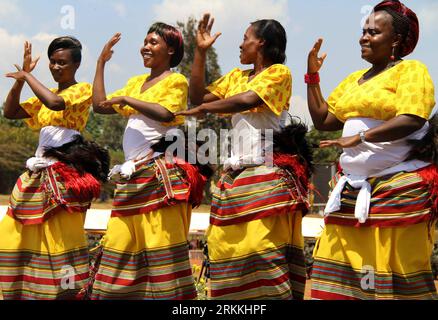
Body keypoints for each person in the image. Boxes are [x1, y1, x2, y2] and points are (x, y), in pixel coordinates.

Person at [307, 0, 437, 300]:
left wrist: (362, 137)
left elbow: (413, 117)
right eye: (363, 31)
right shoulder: (354, 80)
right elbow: (324, 120)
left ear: (396, 41)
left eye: (374, 32)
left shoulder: (412, 71)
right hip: (353, 190)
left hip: (397, 187)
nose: (363, 37)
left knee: (392, 276)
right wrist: (312, 77)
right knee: (339, 274)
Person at [179, 14, 312, 300]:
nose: (240, 45)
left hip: (267, 173)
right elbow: (197, 95)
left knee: (262, 248)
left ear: (261, 43)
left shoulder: (278, 73)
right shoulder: (236, 77)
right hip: (237, 177)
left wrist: (206, 110)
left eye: (245, 38)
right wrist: (200, 53)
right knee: (229, 248)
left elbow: (248, 100)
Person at [89, 23, 207, 300]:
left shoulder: (175, 81)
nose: (145, 46)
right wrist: (100, 63)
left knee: (160, 249)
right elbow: (99, 105)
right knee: (119, 247)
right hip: (132, 178)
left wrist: (128, 99)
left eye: (153, 42)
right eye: (145, 41)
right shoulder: (135, 82)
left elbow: (165, 113)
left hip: (158, 173)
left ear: (170, 49)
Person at [0, 37, 109, 300]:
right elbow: (10, 112)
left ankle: (66, 292)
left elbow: (56, 104)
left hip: (64, 173)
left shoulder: (80, 90)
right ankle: (26, 287)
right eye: (52, 61)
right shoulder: (45, 94)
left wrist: (27, 76)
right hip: (38, 171)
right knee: (19, 230)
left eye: (62, 62)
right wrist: (20, 79)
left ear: (76, 64)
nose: (55, 67)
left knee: (60, 235)